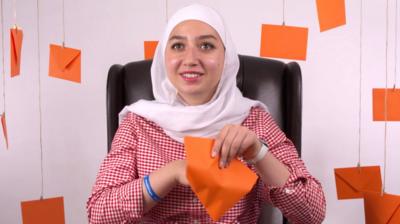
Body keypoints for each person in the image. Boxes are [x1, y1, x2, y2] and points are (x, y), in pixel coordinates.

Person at [87, 4, 326, 224]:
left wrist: (258, 153)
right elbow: (98, 214)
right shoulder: (137, 123)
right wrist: (171, 173)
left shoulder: (253, 121)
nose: (191, 59)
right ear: (164, 57)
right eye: (178, 46)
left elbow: (312, 213)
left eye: (206, 46)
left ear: (226, 58)